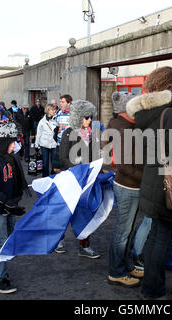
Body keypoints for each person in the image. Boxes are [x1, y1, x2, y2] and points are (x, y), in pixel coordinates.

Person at [126, 66, 172, 299]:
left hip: (151, 181)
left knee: (155, 237)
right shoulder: (167, 114)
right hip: (166, 186)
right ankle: (153, 290)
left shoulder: (145, 114)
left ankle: (151, 286)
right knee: (162, 240)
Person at [0, 120, 29, 294]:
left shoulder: (9, 157)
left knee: (9, 239)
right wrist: (5, 201)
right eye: (12, 142)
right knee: (1, 243)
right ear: (2, 143)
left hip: (9, 205)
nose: (15, 145)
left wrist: (14, 201)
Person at [105, 91, 145, 287]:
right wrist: (146, 178)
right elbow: (124, 165)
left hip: (131, 185)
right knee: (123, 232)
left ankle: (125, 266)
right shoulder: (123, 129)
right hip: (129, 186)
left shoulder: (125, 125)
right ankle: (117, 271)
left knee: (126, 231)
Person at [58, 99, 100, 259]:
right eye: (86, 117)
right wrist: (76, 170)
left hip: (88, 180)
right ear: (78, 117)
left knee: (86, 213)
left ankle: (84, 245)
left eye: (91, 117)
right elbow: (63, 157)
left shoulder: (92, 133)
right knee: (66, 212)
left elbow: (96, 156)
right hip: (73, 179)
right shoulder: (68, 132)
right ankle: (58, 240)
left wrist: (98, 172)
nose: (90, 120)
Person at [35, 104, 58, 177]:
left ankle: (53, 178)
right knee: (45, 163)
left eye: (55, 110)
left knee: (54, 163)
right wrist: (36, 145)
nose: (54, 111)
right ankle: (45, 179)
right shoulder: (42, 121)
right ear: (48, 110)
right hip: (44, 144)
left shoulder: (56, 119)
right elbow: (38, 133)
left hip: (53, 144)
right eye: (53, 110)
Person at [52, 94, 72, 173]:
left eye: (63, 102)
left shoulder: (74, 114)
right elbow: (54, 126)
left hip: (69, 146)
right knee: (56, 169)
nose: (60, 104)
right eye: (60, 102)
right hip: (59, 144)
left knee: (69, 169)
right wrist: (56, 129)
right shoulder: (59, 113)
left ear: (69, 103)